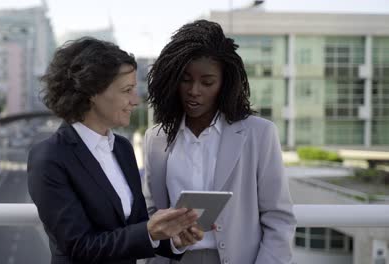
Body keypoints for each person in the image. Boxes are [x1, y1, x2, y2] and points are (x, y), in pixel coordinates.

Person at [27, 37, 203, 264]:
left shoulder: (122, 148)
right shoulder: (49, 158)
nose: (136, 100)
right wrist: (149, 232)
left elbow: (136, 227)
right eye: (127, 90)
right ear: (92, 91)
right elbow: (80, 247)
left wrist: (175, 240)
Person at [143, 20, 297, 264]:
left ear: (224, 84)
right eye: (185, 79)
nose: (194, 90)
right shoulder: (156, 138)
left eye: (207, 82)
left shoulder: (259, 134)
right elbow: (152, 213)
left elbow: (278, 217)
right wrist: (172, 237)